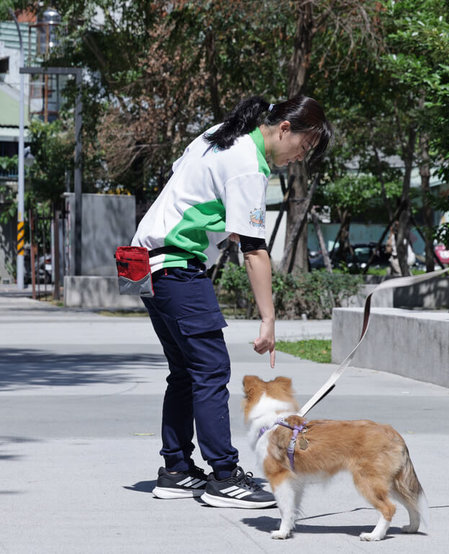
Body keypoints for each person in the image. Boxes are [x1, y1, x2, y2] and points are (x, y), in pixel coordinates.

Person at [132, 95, 332, 508]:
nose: (299, 157)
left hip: (143, 263)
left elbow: (183, 184)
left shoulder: (220, 137)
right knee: (211, 370)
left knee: (186, 373)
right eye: (304, 147)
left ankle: (176, 470)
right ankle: (224, 477)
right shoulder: (248, 167)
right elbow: (254, 250)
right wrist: (268, 319)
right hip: (176, 264)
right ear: (285, 129)